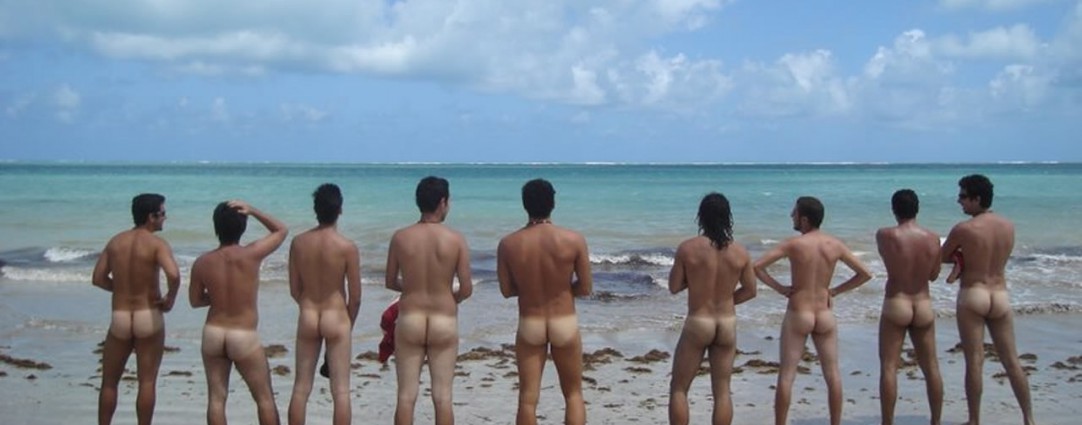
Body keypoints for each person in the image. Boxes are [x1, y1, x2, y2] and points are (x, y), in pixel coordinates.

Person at [753, 196, 872, 425]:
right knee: (833, 374)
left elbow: (757, 266)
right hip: (824, 313)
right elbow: (865, 274)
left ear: (805, 219)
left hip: (799, 312)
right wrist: (834, 291)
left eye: (795, 213)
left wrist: (781, 288)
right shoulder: (835, 244)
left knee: (787, 375)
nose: (792, 216)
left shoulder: (793, 244)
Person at [942, 174, 1035, 425]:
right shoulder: (1008, 226)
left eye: (963, 196)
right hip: (1000, 294)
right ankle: (1029, 419)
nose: (959, 201)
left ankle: (974, 420)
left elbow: (941, 256)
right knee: (1012, 360)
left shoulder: (964, 229)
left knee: (974, 360)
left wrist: (959, 258)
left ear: (977, 198)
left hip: (974, 293)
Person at [497, 178, 592, 425]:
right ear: (553, 203)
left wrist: (530, 289)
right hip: (564, 320)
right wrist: (562, 290)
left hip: (531, 321)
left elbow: (506, 290)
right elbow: (585, 288)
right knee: (573, 395)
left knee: (527, 399)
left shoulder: (508, 244)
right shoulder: (574, 239)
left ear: (524, 205)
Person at [189, 200, 288, 425]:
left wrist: (218, 297)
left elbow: (195, 301)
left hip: (213, 332)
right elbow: (281, 230)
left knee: (216, 399)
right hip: (243, 334)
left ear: (216, 227)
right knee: (264, 399)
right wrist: (253, 210)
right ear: (243, 227)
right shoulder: (251, 254)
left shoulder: (202, 262)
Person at [385, 176, 473, 425]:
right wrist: (451, 298)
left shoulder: (400, 237)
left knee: (406, 397)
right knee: (443, 397)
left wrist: (412, 288)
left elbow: (390, 281)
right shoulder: (455, 239)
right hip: (443, 319)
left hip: (410, 319)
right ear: (442, 202)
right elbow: (466, 288)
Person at [667, 192, 757, 425]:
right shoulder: (740, 252)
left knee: (679, 389)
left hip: (699, 321)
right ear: (728, 217)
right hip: (726, 322)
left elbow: (674, 287)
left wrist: (695, 282)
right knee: (722, 391)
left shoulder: (688, 248)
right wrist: (726, 299)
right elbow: (750, 290)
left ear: (701, 217)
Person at [92, 193, 181, 425]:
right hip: (148, 315)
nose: (165, 217)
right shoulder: (157, 244)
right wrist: (170, 298)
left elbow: (98, 278)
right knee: (147, 382)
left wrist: (121, 288)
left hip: (120, 316)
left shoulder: (116, 241)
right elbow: (173, 274)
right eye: (162, 213)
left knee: (109, 382)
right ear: (151, 217)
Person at [287, 184, 361, 425]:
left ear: (315, 210)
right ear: (340, 210)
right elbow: (355, 297)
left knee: (301, 388)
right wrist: (348, 324)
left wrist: (307, 305)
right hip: (336, 316)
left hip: (309, 314)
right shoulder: (347, 247)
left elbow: (295, 289)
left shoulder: (298, 242)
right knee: (340, 392)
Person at [876, 189, 944, 425]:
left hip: (897, 301)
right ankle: (936, 421)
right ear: (917, 209)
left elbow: (887, 259)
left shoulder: (885, 235)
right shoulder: (932, 238)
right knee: (931, 367)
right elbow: (933, 275)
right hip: (923, 303)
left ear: (894, 209)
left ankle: (887, 422)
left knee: (889, 367)